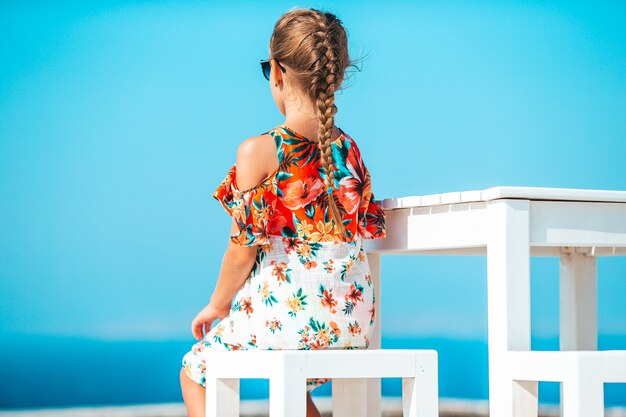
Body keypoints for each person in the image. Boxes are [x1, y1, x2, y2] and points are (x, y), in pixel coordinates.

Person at [179, 7, 386, 417]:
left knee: (195, 369)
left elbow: (242, 249)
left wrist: (218, 306)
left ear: (276, 71)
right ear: (338, 77)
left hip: (289, 315)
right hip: (354, 319)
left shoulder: (260, 151)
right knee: (292, 382)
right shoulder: (350, 150)